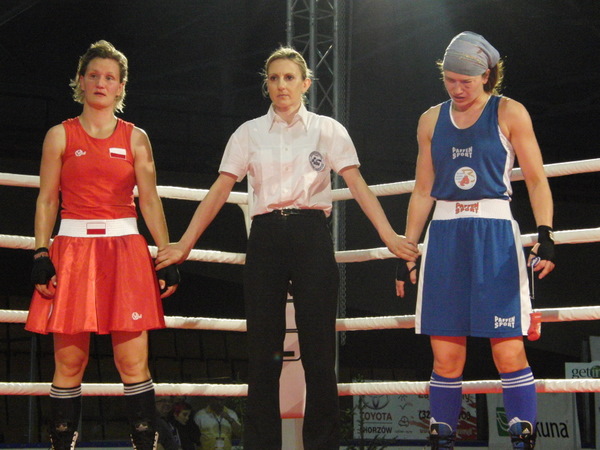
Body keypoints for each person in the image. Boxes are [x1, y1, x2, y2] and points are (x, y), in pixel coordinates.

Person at [155, 46, 419, 449]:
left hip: (312, 234)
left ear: (305, 83)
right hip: (264, 237)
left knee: (319, 354)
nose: (281, 85)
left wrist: (389, 236)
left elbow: (357, 186)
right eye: (274, 78)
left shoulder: (328, 129)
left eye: (289, 77)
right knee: (263, 354)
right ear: (267, 84)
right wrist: (185, 244)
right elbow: (220, 190)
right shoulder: (248, 132)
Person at [395, 32, 555, 449]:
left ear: (486, 75)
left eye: (465, 81)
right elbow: (422, 190)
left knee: (507, 351)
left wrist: (546, 232)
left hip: (494, 234)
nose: (457, 88)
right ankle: (442, 439)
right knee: (446, 356)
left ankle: (523, 439)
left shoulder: (509, 112)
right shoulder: (430, 120)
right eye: (450, 80)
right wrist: (408, 249)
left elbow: (536, 179)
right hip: (444, 236)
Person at [25, 40, 180, 450]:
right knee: (69, 362)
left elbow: (150, 200)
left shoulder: (136, 138)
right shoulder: (59, 135)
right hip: (72, 249)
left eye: (109, 77)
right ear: (80, 80)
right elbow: (47, 199)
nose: (100, 82)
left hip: (125, 249)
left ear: (120, 86)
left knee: (132, 361)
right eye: (93, 74)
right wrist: (41, 252)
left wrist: (166, 255)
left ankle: (145, 445)